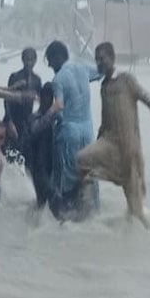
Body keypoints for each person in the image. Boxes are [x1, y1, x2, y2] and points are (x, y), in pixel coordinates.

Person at [76, 42, 150, 228]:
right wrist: (98, 142)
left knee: (135, 212)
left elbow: (149, 100)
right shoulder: (104, 87)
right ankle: (86, 217)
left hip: (130, 150)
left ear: (112, 58)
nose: (100, 63)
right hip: (110, 144)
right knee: (81, 159)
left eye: (103, 59)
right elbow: (105, 119)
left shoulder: (126, 80)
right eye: (97, 60)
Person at [45, 40, 102, 220]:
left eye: (50, 61)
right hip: (88, 132)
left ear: (57, 57)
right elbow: (101, 71)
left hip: (69, 134)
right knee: (88, 176)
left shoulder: (58, 79)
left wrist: (45, 117)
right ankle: (92, 215)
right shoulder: (83, 69)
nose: (50, 66)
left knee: (66, 181)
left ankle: (65, 218)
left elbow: (59, 105)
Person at [3, 47, 43, 158]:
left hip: (27, 122)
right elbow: (6, 99)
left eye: (31, 60)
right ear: (22, 60)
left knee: (23, 156)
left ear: (35, 60)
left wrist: (37, 119)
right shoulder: (15, 76)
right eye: (26, 60)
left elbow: (41, 101)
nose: (29, 63)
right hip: (13, 119)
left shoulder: (37, 80)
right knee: (9, 154)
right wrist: (9, 121)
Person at [28, 83, 57, 209]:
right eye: (45, 96)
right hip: (38, 166)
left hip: (52, 165)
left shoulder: (57, 118)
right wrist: (51, 113)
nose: (48, 100)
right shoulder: (34, 117)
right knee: (43, 200)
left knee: (50, 201)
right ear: (40, 97)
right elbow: (35, 129)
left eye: (51, 97)